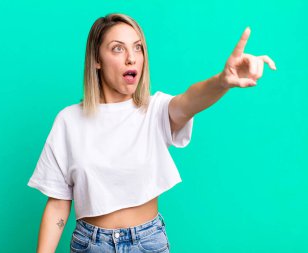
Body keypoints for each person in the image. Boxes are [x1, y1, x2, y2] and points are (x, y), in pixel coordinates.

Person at [27, 13, 276, 253]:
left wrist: (222, 81)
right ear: (96, 59)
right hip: (90, 244)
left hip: (147, 242)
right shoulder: (68, 121)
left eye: (138, 48)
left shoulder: (155, 111)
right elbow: (59, 202)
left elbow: (190, 100)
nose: (131, 58)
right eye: (117, 48)